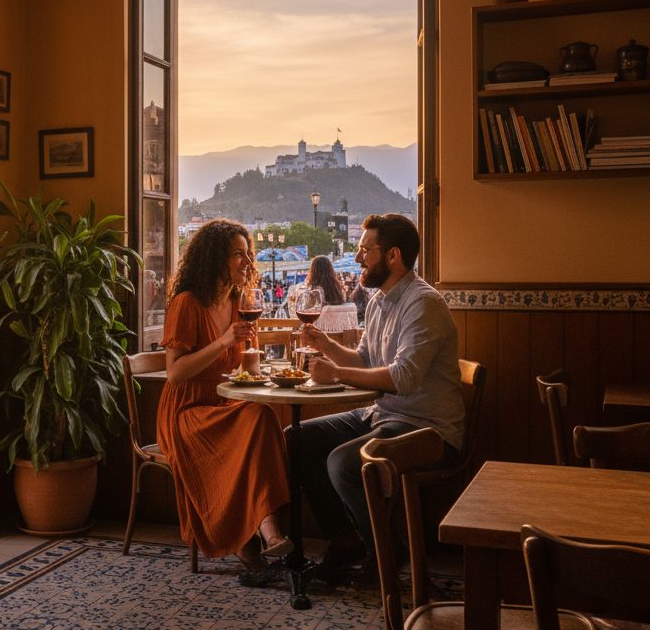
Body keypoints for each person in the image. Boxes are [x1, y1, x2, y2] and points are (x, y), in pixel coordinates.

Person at [286, 213, 464, 583]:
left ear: (393, 255)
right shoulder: (381, 300)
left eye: (366, 250)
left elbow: (402, 379)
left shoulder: (423, 303)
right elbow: (366, 361)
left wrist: (334, 374)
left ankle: (386, 549)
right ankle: (346, 540)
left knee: (344, 463)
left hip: (429, 429)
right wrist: (327, 345)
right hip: (384, 414)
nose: (358, 257)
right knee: (295, 439)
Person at [156, 218, 292, 573]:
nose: (248, 263)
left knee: (260, 417)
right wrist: (224, 341)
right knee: (252, 424)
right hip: (187, 412)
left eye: (249, 254)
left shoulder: (239, 303)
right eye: (238, 255)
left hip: (225, 404)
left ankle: (261, 533)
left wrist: (262, 365)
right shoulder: (187, 303)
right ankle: (261, 532)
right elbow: (175, 373)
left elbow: (248, 366)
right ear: (215, 259)